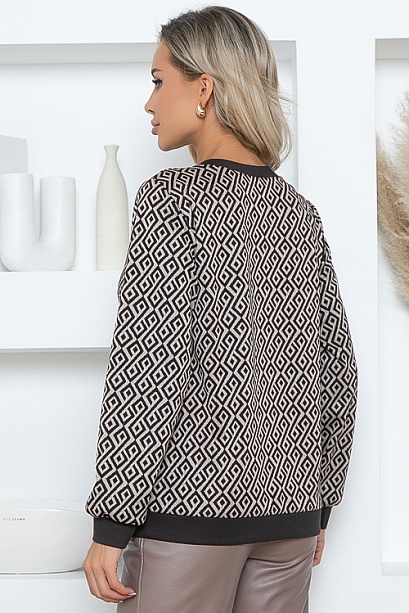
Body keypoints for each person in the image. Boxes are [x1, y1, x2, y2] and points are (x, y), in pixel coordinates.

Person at [82, 6, 358, 612]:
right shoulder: (298, 213)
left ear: (203, 88)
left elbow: (146, 370)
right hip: (290, 515)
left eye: (159, 81)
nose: (149, 103)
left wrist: (111, 521)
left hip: (190, 518)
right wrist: (320, 503)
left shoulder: (171, 201)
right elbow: (338, 372)